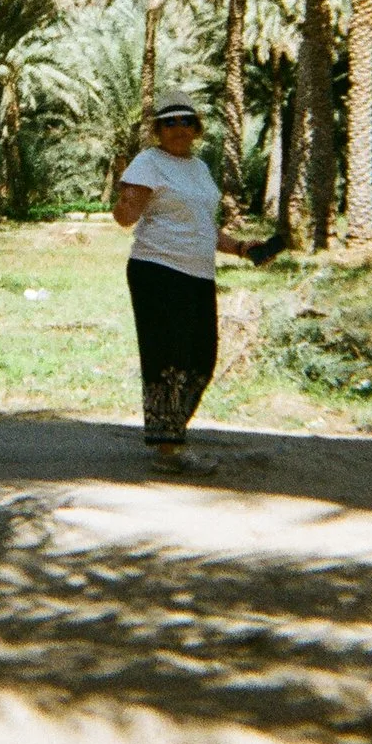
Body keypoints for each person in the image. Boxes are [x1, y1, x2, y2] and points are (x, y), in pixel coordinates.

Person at [112, 88, 260, 475]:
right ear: (158, 130)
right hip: (156, 271)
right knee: (168, 357)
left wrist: (243, 249)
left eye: (185, 121)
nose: (178, 128)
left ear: (196, 128)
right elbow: (126, 218)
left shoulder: (200, 169)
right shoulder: (148, 163)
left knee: (203, 358)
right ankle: (168, 448)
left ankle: (169, 431)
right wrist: (126, 200)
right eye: (169, 122)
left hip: (198, 274)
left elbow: (205, 227)